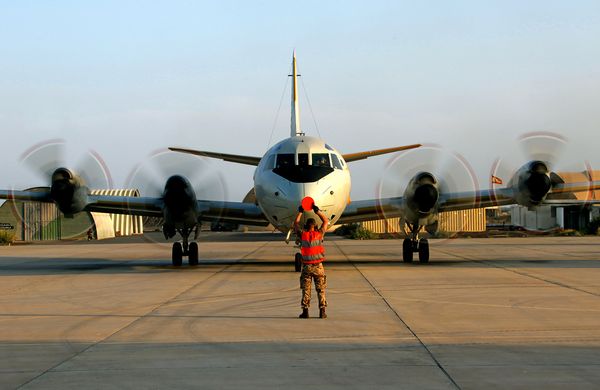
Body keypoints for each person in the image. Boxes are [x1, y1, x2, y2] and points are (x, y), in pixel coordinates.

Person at [294, 203, 329, 319]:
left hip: (307, 267)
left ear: (306, 226)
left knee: (306, 290)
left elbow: (295, 224)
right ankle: (322, 312)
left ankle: (305, 312)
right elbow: (325, 221)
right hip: (318, 266)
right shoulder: (319, 234)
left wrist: (300, 212)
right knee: (321, 289)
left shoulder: (303, 235)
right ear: (315, 226)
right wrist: (317, 211)